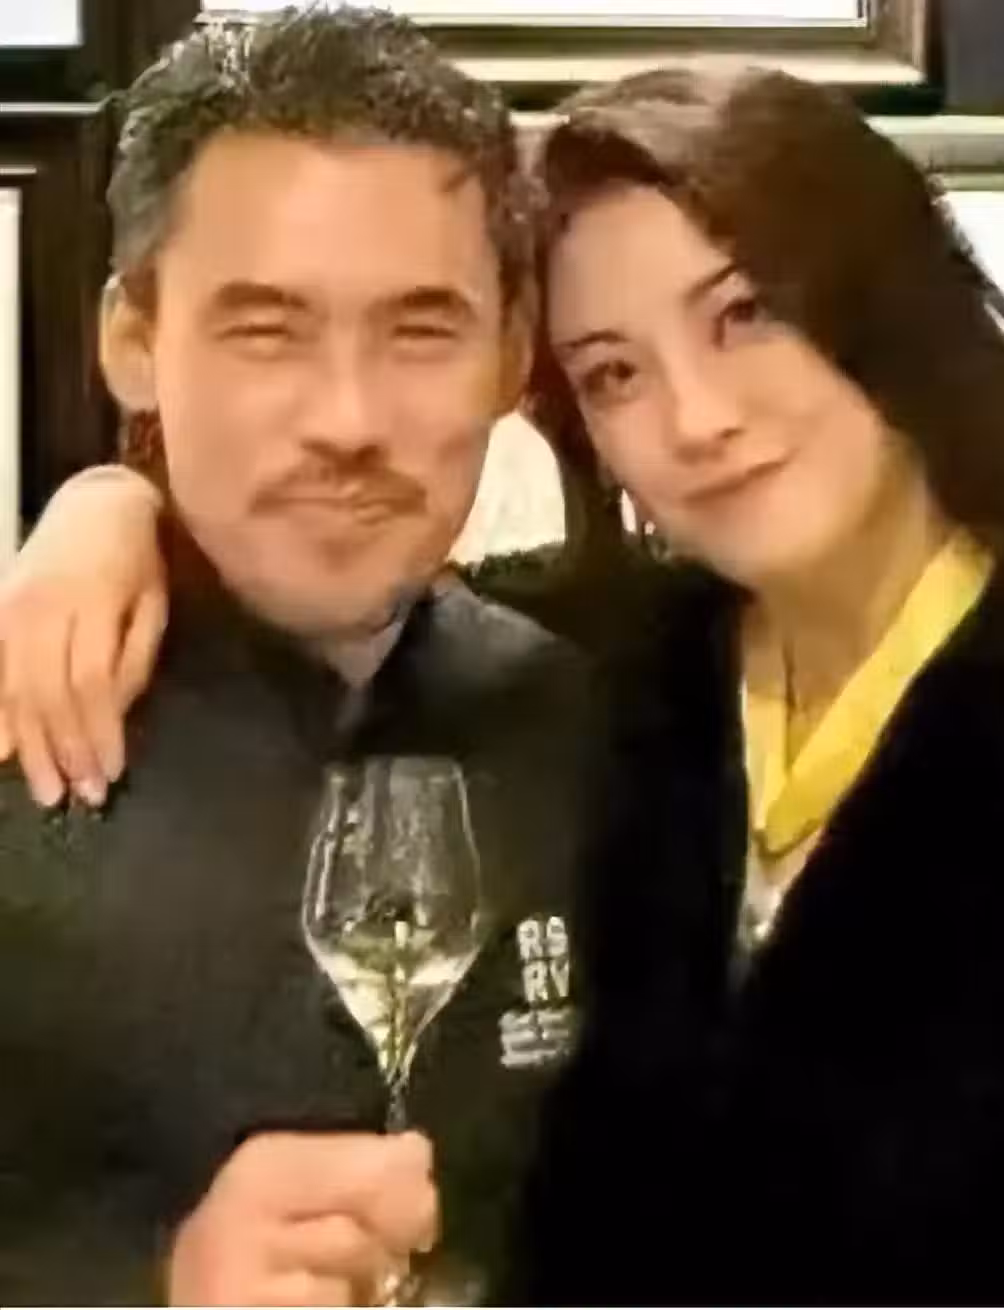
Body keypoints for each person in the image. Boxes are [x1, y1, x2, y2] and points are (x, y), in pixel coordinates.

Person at [2, 65, 1004, 1306]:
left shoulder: (584, 703)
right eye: (614, 371)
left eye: (745, 312)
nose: (697, 417)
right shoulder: (645, 667)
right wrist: (108, 508)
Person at [0, 9, 605, 1304]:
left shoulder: (600, 717)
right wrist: (146, 1287)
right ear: (132, 341)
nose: (347, 419)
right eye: (265, 330)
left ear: (511, 356)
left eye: (421, 330)